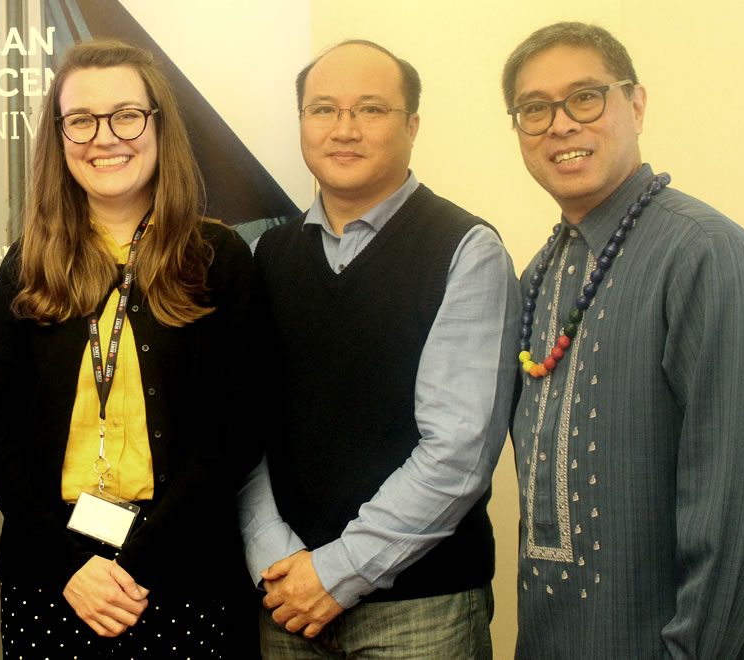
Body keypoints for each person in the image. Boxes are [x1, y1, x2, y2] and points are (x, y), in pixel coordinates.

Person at [502, 21, 744, 658]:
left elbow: (737, 509)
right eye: (534, 109)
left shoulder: (707, 254)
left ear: (635, 103)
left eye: (585, 97)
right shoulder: (540, 275)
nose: (561, 124)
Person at [0, 39, 260, 658]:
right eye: (81, 120)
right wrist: (71, 567)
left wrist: (135, 562)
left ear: (159, 125)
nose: (105, 137)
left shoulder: (218, 260)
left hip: (182, 578)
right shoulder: (26, 266)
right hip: (54, 578)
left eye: (126, 115)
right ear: (59, 135)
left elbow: (233, 432)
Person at [238, 39, 519, 658]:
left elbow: (459, 453)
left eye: (371, 109)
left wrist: (336, 573)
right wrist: (274, 558)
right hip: (285, 601)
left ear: (413, 124)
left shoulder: (467, 251)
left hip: (421, 612)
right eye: (323, 110)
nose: (344, 129)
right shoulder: (266, 257)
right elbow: (243, 428)